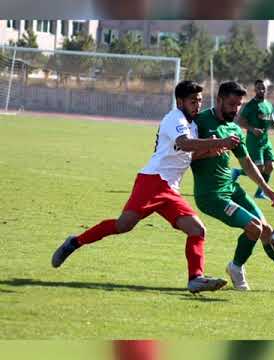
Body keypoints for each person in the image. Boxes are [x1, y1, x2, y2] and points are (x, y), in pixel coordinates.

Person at [51, 80, 241, 293]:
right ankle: (74, 242)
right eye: (192, 101)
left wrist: (209, 151)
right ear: (180, 101)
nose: (197, 105)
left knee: (197, 230)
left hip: (170, 188)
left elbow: (189, 153)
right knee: (123, 225)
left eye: (199, 100)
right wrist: (218, 142)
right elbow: (185, 143)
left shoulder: (193, 124)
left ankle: (195, 278)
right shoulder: (174, 118)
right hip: (152, 181)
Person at [191, 81, 274, 292]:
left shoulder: (234, 128)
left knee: (266, 229)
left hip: (231, 189)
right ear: (219, 100)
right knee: (254, 227)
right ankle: (235, 267)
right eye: (232, 104)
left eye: (239, 105)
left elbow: (246, 162)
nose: (235, 110)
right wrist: (214, 144)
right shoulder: (200, 121)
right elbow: (183, 153)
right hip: (211, 196)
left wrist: (264, 187)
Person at [231, 79, 274, 200]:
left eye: (263, 88)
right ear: (254, 89)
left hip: (265, 141)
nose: (261, 90)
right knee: (258, 168)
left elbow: (272, 122)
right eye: (259, 88)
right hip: (253, 142)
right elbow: (240, 121)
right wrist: (252, 129)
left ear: (266, 89)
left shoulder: (268, 105)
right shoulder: (250, 106)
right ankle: (237, 172)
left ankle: (260, 193)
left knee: (270, 166)